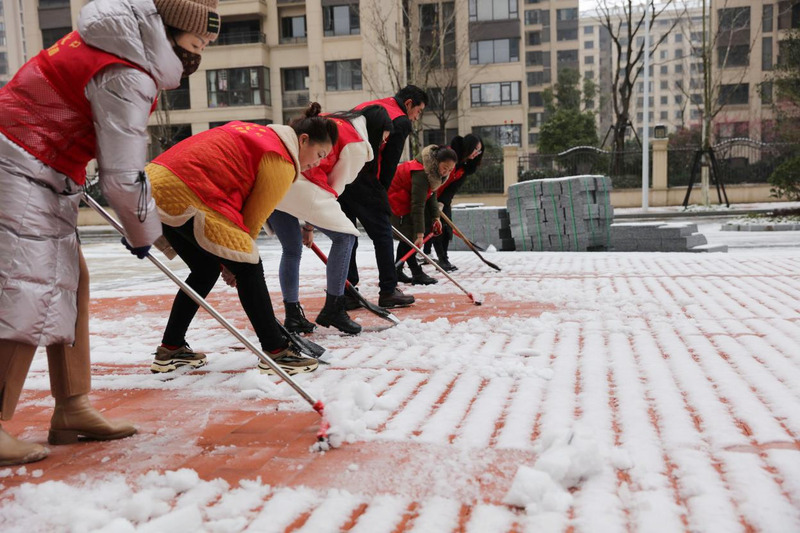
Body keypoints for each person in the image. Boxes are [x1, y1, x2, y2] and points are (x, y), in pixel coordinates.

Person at [0, 0, 219, 466]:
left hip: (44, 167)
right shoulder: (128, 71)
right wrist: (145, 235)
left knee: (68, 280)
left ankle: (72, 407)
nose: (200, 55)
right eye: (198, 43)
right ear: (172, 31)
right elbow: (123, 175)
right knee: (27, 287)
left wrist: (142, 229)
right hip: (17, 163)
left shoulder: (121, 44)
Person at [146, 106, 337, 377]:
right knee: (249, 263)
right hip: (188, 188)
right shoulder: (280, 158)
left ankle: (171, 348)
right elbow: (251, 221)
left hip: (155, 181)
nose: (317, 164)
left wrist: (225, 262)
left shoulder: (261, 136)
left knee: (205, 269)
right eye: (319, 155)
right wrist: (233, 263)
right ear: (303, 140)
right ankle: (276, 351)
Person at [269, 105, 394, 335]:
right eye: (384, 138)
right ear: (377, 129)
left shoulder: (332, 120)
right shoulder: (357, 143)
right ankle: (334, 307)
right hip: (300, 182)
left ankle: (293, 315)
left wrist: (309, 224)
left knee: (292, 248)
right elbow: (335, 187)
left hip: (277, 176)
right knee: (346, 236)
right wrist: (310, 221)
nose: (383, 144)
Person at [337, 85, 428, 309]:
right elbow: (389, 163)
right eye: (418, 111)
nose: (416, 118)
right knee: (383, 235)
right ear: (408, 104)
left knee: (348, 235)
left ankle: (348, 291)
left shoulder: (368, 106)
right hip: (366, 179)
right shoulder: (400, 120)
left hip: (342, 174)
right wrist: (381, 193)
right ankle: (388, 289)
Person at [389, 145, 458, 285]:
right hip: (396, 200)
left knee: (407, 238)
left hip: (407, 199)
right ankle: (416, 273)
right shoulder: (421, 173)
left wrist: (436, 217)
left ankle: (397, 271)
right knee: (410, 237)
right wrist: (420, 235)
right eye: (445, 167)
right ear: (436, 162)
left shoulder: (433, 173)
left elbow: (431, 194)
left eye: (450, 170)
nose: (446, 172)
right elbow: (418, 205)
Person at [424, 134, 484, 272]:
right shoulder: (447, 154)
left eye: (479, 151)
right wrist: (432, 198)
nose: (476, 153)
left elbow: (451, 189)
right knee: (434, 227)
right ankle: (439, 259)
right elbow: (431, 175)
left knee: (446, 227)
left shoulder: (465, 167)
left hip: (442, 199)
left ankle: (443, 258)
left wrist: (442, 203)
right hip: (427, 193)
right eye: (475, 149)